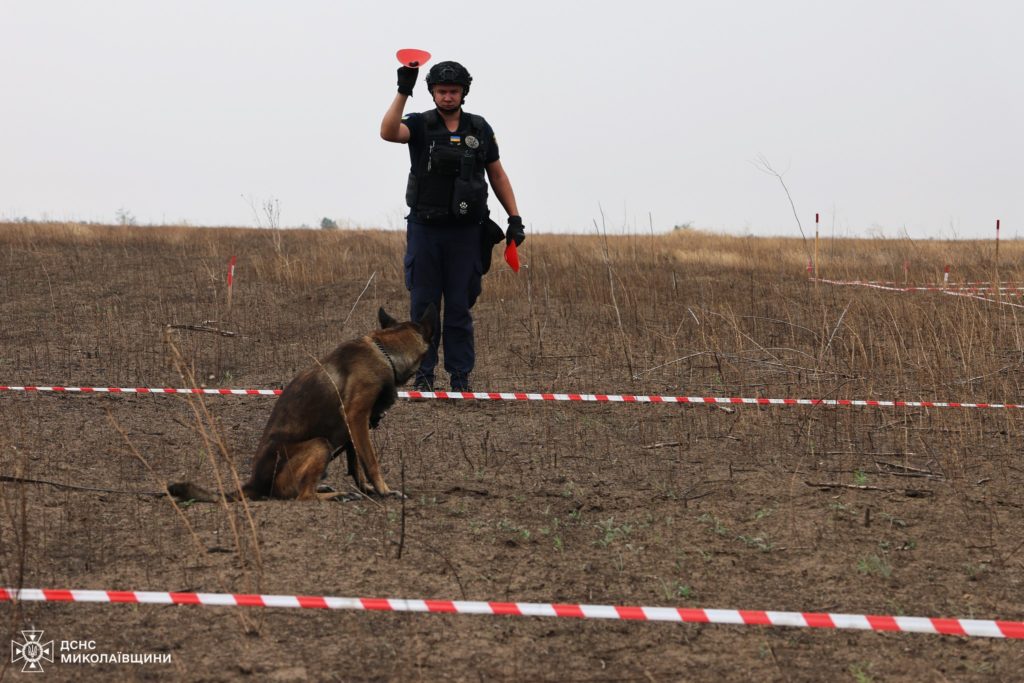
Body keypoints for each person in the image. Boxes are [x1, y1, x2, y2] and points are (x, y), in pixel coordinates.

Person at [380, 59, 525, 392]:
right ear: (432, 92)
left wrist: (514, 217)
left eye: (454, 91)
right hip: (425, 231)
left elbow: (497, 174)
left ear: (464, 93)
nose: (447, 97)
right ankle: (424, 376)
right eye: (442, 91)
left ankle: (460, 378)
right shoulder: (419, 124)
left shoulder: (480, 129)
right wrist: (404, 89)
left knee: (460, 306)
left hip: (466, 233)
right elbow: (388, 132)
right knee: (424, 308)